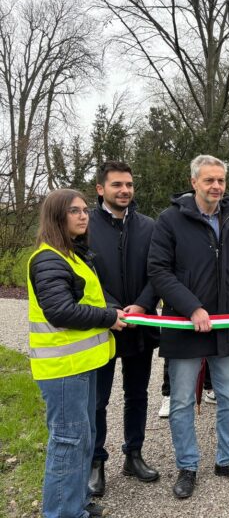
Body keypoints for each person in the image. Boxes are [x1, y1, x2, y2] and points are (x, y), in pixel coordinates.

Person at [148, 155, 229, 499]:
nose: (216, 186)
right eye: (209, 180)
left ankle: (226, 459)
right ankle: (188, 466)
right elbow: (159, 271)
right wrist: (192, 307)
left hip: (228, 324)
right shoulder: (169, 220)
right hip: (185, 326)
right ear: (194, 181)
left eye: (221, 181)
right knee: (181, 402)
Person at [27, 188, 125, 518]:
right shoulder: (47, 259)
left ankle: (76, 503)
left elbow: (89, 301)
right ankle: (61, 513)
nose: (84, 215)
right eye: (74, 211)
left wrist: (111, 308)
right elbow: (60, 310)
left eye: (84, 210)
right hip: (63, 370)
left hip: (82, 366)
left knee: (84, 439)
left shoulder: (72, 255)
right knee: (68, 442)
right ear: (57, 217)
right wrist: (108, 318)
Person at [88, 161, 160, 497]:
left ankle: (134, 453)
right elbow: (80, 274)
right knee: (98, 399)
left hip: (140, 326)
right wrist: (110, 308)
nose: (125, 191)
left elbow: (158, 271)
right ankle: (95, 461)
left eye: (129, 184)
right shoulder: (84, 226)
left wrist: (144, 304)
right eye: (117, 185)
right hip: (101, 327)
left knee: (137, 395)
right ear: (101, 189)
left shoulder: (148, 226)